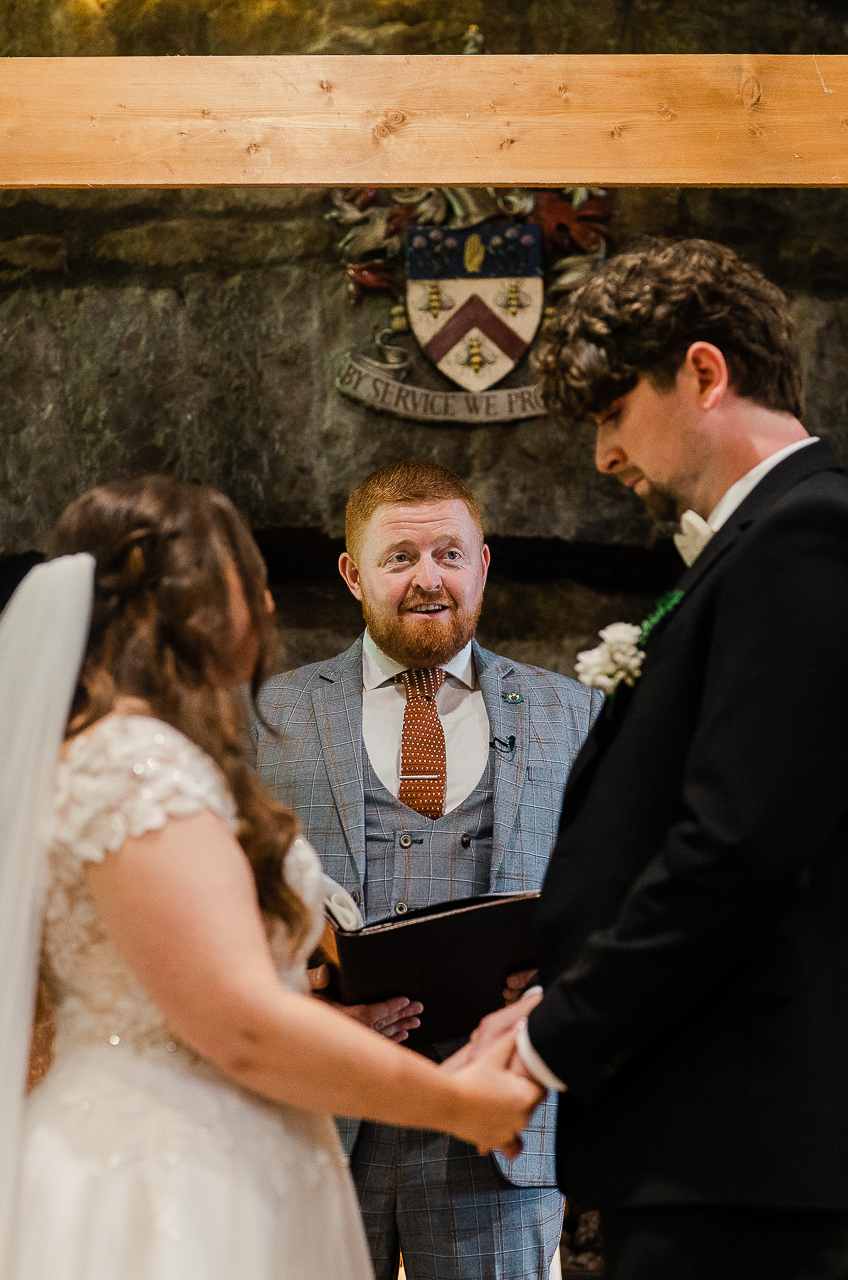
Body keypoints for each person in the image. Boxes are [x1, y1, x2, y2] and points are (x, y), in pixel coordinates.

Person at [0, 477, 543, 1280]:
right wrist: (457, 1101)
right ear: (185, 598)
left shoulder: (150, 751)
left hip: (220, 1155)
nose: (264, 597)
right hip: (157, 1186)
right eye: (245, 572)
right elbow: (242, 1027)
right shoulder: (134, 766)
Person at [467, 240, 848, 1279]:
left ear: (705, 375)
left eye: (612, 412)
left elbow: (739, 844)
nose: (603, 456)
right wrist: (554, 993)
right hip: (709, 1140)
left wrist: (551, 1044)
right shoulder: (762, 541)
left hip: (746, 1147)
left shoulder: (813, 539)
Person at [251, 461, 601, 1280]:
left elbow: (612, 898)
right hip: (319, 1121)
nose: (428, 579)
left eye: (449, 553)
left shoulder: (574, 713)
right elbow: (220, 903)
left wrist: (558, 978)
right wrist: (294, 995)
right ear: (353, 574)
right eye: (400, 558)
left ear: (483, 564)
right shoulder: (265, 717)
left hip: (497, 1134)